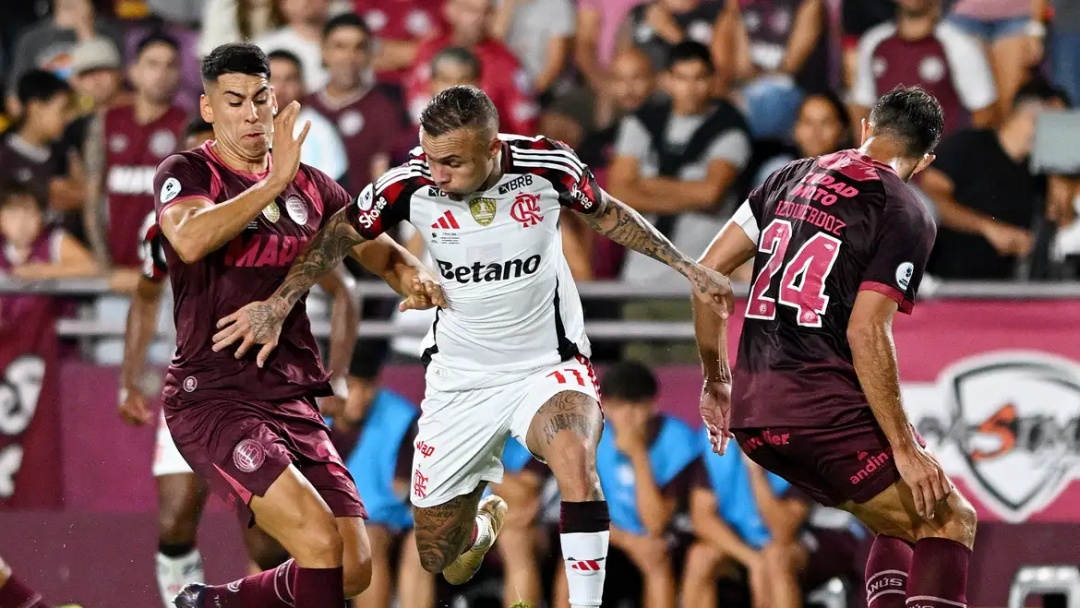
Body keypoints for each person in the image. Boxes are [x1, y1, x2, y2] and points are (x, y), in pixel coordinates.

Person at [211, 84, 732, 608]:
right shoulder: (409, 182)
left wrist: (687, 267)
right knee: (439, 555)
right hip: (460, 378)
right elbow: (337, 235)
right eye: (431, 158)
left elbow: (610, 214)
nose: (437, 173)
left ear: (492, 147)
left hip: (547, 364)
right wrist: (278, 303)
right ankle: (482, 524)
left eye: (452, 162)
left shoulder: (548, 166)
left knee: (575, 457)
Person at [149, 43, 437, 608]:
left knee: (353, 568)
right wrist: (270, 183)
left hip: (291, 396)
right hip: (214, 396)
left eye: (261, 99)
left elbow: (377, 251)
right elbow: (189, 238)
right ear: (208, 108)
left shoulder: (311, 185)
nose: (251, 114)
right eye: (235, 101)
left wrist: (415, 276)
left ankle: (215, 601)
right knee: (317, 545)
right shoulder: (186, 172)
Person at [694, 85, 979, 608]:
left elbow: (707, 273)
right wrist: (904, 447)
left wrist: (716, 379)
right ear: (925, 160)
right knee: (949, 520)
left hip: (753, 412)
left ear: (865, 128)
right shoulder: (904, 209)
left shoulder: (786, 176)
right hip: (819, 409)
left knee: (902, 519)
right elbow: (866, 330)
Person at [84, 34, 187, 283]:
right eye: (152, 64)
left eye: (170, 65)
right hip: (116, 273)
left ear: (180, 75)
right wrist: (105, 266)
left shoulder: (188, 126)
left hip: (170, 278)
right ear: (133, 72)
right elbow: (92, 197)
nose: (161, 73)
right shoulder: (106, 122)